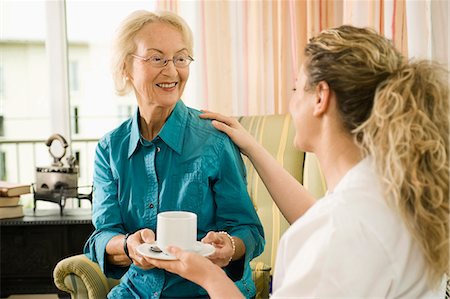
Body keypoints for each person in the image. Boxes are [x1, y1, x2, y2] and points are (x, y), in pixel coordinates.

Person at [149, 25, 449, 298]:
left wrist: (210, 277)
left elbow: (330, 229)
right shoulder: (386, 194)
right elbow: (317, 216)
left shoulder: (341, 230)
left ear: (321, 97)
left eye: (296, 88)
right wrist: (254, 147)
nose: (291, 103)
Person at [84, 10, 264, 299]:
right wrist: (128, 244)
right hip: (137, 291)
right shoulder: (110, 148)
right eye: (156, 58)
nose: (171, 71)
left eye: (180, 58)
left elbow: (249, 231)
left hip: (206, 292)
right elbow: (103, 234)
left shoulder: (214, 139)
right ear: (126, 68)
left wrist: (229, 246)